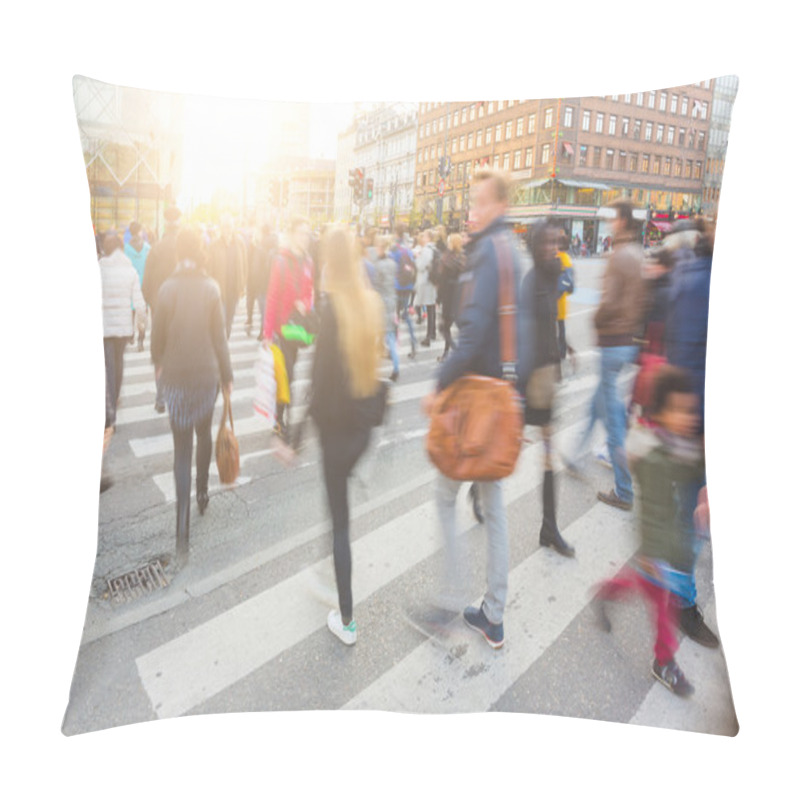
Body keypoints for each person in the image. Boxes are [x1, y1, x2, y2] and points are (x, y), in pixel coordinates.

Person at [421, 167, 522, 649]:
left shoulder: (486, 253)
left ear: (499, 206)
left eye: (479, 202)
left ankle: (446, 604)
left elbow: (475, 330)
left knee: (445, 498)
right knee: (494, 507)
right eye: (470, 201)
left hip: (473, 401)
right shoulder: (509, 250)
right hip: (498, 395)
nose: (470, 209)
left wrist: (439, 385)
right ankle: (494, 614)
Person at [593, 365, 705, 697]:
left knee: (634, 583)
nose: (686, 417)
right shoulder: (657, 459)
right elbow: (652, 515)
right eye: (678, 410)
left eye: (689, 410)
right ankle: (664, 662)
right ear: (661, 413)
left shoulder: (675, 444)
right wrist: (658, 556)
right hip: (659, 551)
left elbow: (692, 465)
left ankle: (604, 593)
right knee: (663, 608)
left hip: (663, 552)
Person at [308, 227, 385, 645]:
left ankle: (348, 619)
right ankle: (328, 572)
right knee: (338, 515)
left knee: (340, 524)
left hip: (336, 435)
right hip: (362, 430)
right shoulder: (369, 302)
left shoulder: (332, 309)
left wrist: (296, 432)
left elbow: (319, 384)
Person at [150, 228, 233, 570]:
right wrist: (227, 378)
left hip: (176, 379)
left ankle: (181, 525)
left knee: (180, 449)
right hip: (206, 377)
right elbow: (221, 340)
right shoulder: (211, 288)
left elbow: (157, 339)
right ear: (201, 252)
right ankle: (202, 491)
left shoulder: (167, 289)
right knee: (204, 434)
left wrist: (159, 368)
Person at [566, 199, 645, 511]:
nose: (610, 223)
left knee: (612, 419)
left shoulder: (619, 255)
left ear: (622, 221)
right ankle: (574, 455)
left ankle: (625, 491)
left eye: (613, 218)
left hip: (613, 340)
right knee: (597, 404)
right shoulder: (639, 253)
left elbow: (610, 302)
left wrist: (596, 320)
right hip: (628, 341)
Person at [662, 219, 719, 648]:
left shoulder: (695, 274)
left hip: (692, 423)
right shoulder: (704, 283)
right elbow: (687, 365)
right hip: (697, 427)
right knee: (689, 518)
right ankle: (678, 600)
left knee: (687, 515)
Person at [519, 222, 575, 558]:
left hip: (548, 375)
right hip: (530, 381)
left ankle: (548, 527)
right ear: (536, 245)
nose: (554, 246)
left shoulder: (553, 275)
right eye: (548, 242)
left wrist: (566, 347)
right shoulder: (531, 282)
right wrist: (517, 391)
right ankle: (476, 489)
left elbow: (553, 321)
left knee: (548, 455)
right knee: (506, 450)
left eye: (557, 241)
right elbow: (523, 337)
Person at [262, 215, 315, 439]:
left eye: (308, 233)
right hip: (282, 328)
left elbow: (311, 291)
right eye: (302, 233)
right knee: (286, 374)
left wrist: (305, 303)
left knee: (290, 374)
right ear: (293, 234)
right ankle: (279, 418)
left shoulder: (309, 262)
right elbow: (272, 297)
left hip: (298, 327)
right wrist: (267, 333)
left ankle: (283, 413)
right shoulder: (281, 261)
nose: (306, 238)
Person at [100, 233, 146, 434]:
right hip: (123, 329)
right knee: (117, 367)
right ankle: (113, 408)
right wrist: (141, 325)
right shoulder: (130, 271)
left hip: (104, 327)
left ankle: (107, 413)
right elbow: (140, 304)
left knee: (107, 369)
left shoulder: (99, 268)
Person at [142, 205, 182, 413]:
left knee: (159, 352)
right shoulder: (184, 249)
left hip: (159, 309)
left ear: (166, 223)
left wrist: (152, 304)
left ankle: (160, 397)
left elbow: (146, 283)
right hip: (180, 310)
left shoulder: (156, 248)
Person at [209, 214, 248, 339]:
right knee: (221, 322)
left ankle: (224, 341)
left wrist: (242, 284)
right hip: (219, 292)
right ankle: (220, 346)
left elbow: (245, 265)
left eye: (230, 226)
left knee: (229, 321)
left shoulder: (239, 243)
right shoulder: (214, 245)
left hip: (233, 291)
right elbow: (209, 269)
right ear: (221, 228)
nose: (227, 229)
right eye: (225, 227)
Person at [373, 234, 400, 382]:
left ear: (381, 248)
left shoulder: (379, 265)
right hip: (391, 301)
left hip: (382, 304)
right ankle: (395, 366)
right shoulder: (392, 263)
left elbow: (376, 286)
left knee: (385, 336)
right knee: (388, 336)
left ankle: (392, 367)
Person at [389, 223, 418, 359]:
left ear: (396, 233)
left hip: (396, 286)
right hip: (407, 286)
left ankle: (393, 346)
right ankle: (413, 343)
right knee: (406, 315)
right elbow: (413, 266)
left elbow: (391, 268)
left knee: (394, 316)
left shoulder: (394, 249)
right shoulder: (408, 249)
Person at [246, 224, 278, 340]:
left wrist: (253, 285)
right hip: (276, 283)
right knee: (271, 310)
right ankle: (266, 331)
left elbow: (255, 269)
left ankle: (264, 333)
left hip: (262, 284)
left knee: (264, 310)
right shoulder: (277, 244)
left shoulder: (259, 247)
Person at [437, 232, 465, 363]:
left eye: (449, 241)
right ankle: (448, 352)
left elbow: (441, 280)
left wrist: (438, 298)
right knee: (454, 325)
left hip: (448, 296)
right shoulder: (462, 258)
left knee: (444, 327)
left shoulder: (446, 258)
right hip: (459, 296)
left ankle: (452, 352)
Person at [124, 221, 151, 351]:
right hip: (144, 287)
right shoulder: (147, 248)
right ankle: (141, 340)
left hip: (130, 286)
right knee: (142, 315)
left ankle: (130, 335)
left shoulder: (125, 249)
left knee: (131, 313)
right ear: (140, 231)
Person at [556, 232, 577, 373]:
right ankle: (563, 352)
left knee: (556, 329)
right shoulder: (567, 258)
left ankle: (563, 351)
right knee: (561, 328)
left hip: (555, 299)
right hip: (563, 300)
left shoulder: (558, 258)